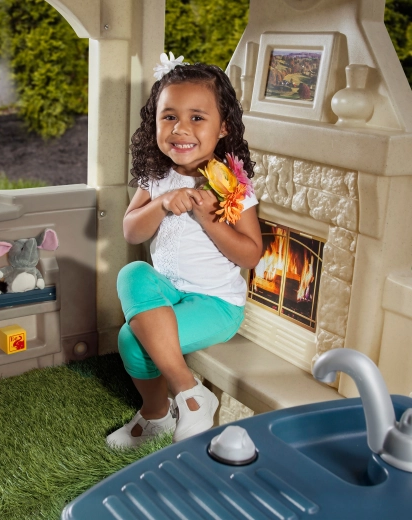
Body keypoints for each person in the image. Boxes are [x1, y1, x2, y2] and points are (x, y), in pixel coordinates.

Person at [106, 54, 263, 448]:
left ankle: (160, 410)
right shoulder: (156, 176)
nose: (180, 128)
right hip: (166, 292)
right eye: (169, 116)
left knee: (131, 340)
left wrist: (209, 219)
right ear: (155, 122)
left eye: (197, 117)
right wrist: (161, 203)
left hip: (216, 303)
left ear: (223, 127)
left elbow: (251, 255)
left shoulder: (231, 185)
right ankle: (186, 394)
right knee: (132, 273)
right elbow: (130, 230)